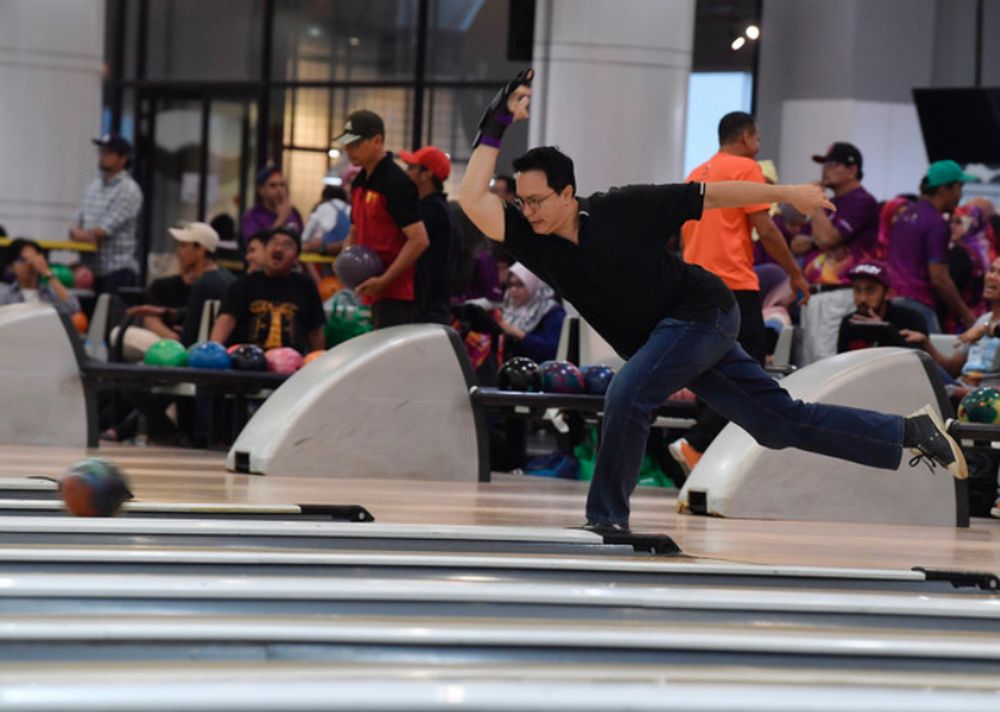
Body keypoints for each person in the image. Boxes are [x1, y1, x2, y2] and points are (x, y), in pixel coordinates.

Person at [457, 69, 968, 532]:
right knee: (777, 422)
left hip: (702, 313)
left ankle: (605, 522)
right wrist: (499, 120)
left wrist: (789, 192)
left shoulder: (621, 208)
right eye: (522, 202)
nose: (528, 211)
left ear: (568, 193)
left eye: (538, 200)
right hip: (671, 337)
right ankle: (910, 432)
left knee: (627, 395)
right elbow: (471, 198)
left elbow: (710, 196)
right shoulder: (532, 235)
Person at [672, 111, 810, 474]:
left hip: (695, 283)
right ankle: (697, 444)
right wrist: (795, 274)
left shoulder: (696, 173)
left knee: (709, 369)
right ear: (746, 136)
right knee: (748, 371)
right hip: (733, 283)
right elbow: (765, 230)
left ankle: (703, 457)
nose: (759, 144)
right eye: (758, 137)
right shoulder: (746, 169)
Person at [335, 110, 430, 328]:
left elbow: (419, 240)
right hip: (370, 288)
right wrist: (344, 260)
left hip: (397, 294)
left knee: (393, 360)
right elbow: (354, 228)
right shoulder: (359, 181)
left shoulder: (395, 183)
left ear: (377, 141)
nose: (348, 151)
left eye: (355, 144)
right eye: (347, 144)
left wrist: (385, 280)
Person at [888, 160, 978, 334]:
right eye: (958, 188)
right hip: (917, 306)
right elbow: (939, 278)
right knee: (929, 360)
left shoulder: (906, 215)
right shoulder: (937, 223)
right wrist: (966, 315)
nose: (960, 196)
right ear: (944, 189)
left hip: (892, 302)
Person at [211, 227, 324, 354]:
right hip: (246, 362)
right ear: (264, 251)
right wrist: (214, 351)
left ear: (296, 258)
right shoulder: (243, 284)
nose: (279, 249)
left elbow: (315, 331)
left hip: (291, 366)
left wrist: (317, 361)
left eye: (287, 245)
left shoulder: (306, 286)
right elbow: (226, 320)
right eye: (274, 243)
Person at [126, 222, 235, 347]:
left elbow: (189, 338)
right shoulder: (226, 277)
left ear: (200, 249)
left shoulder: (205, 284)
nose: (178, 253)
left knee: (120, 334)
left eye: (183, 246)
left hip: (192, 353)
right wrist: (166, 313)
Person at [790, 143, 880, 286]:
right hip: (816, 288)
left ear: (852, 170)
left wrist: (814, 198)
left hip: (846, 289)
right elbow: (796, 245)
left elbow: (826, 239)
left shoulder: (862, 201)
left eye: (832, 164)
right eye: (824, 164)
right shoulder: (827, 203)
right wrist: (815, 241)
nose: (825, 169)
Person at [69, 133, 143, 294]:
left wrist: (84, 233)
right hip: (90, 271)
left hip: (117, 271)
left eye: (108, 153)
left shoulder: (129, 190)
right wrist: (82, 233)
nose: (102, 156)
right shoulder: (93, 186)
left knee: (109, 318)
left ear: (123, 158)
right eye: (101, 151)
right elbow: (74, 226)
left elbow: (102, 232)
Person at [400, 145, 453, 324]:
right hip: (427, 304)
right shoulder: (435, 207)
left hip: (427, 307)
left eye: (411, 168)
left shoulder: (432, 210)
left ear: (426, 174)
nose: (406, 172)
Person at [836, 260, 926, 353]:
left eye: (870, 290)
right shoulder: (849, 323)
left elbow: (916, 361)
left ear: (888, 293)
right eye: (857, 290)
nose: (862, 298)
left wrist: (884, 330)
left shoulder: (910, 319)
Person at [497, 263, 564, 362]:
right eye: (510, 285)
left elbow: (552, 351)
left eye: (520, 285)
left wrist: (518, 334)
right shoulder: (507, 308)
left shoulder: (552, 312)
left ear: (533, 284)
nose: (513, 290)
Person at [0, 238, 80, 315]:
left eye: (33, 259)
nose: (28, 264)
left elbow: (73, 308)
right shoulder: (5, 295)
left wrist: (47, 272)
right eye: (22, 260)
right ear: (10, 266)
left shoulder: (50, 293)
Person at [240, 166, 304, 244]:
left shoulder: (293, 213)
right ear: (261, 190)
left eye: (282, 185)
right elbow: (256, 246)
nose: (279, 190)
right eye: (273, 185)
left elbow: (301, 241)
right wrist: (281, 219)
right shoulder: (252, 216)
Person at [302, 185, 351, 255]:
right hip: (345, 255)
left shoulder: (323, 207)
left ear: (324, 197)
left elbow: (305, 235)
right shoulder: (350, 208)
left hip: (323, 255)